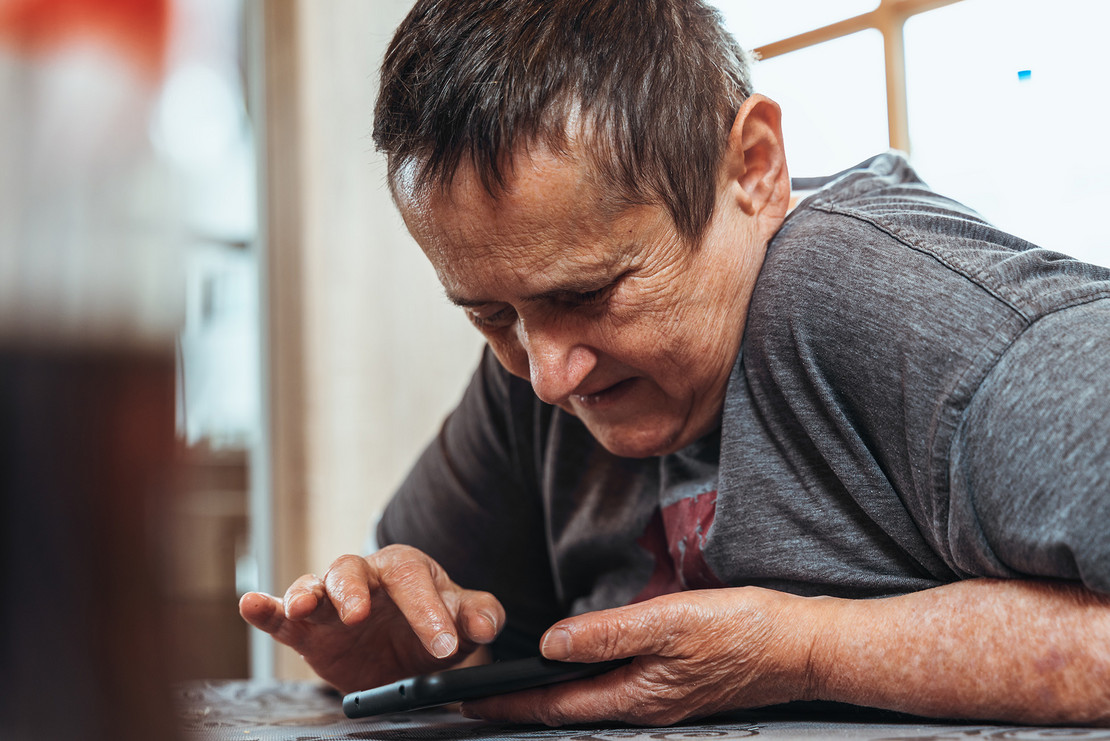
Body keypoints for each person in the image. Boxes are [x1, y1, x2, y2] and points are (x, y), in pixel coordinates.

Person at [240, 0, 1110, 726]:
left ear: (754, 169)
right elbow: (425, 632)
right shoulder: (534, 369)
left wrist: (803, 648)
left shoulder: (890, 299)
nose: (547, 376)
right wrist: (388, 649)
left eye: (589, 294)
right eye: (489, 313)